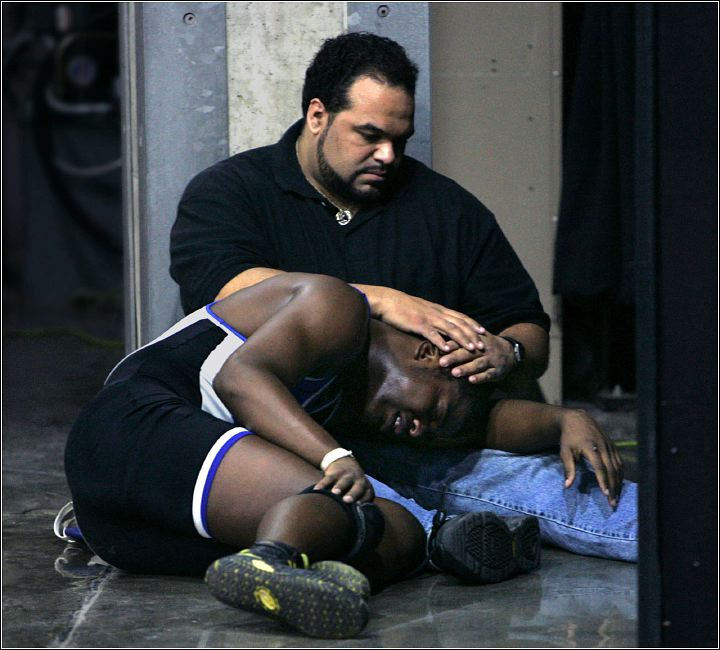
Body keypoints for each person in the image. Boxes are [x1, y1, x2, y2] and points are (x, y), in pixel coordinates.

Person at [170, 32, 637, 561]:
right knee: (335, 507)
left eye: (400, 138)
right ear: (317, 115)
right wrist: (379, 299)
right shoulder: (230, 192)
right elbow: (226, 291)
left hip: (422, 445)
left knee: (565, 490)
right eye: (368, 135)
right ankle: (428, 537)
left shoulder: (446, 209)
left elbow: (527, 326)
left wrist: (508, 353)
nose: (387, 155)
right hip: (278, 439)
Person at [64, 273, 622, 638]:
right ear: (431, 353)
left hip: (121, 529)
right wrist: (332, 456)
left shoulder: (373, 400)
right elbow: (242, 379)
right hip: (132, 425)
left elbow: (483, 423)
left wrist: (561, 418)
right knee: (344, 497)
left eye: (427, 433)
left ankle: (299, 569)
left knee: (400, 531)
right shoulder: (339, 309)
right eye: (431, 408)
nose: (417, 430)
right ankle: (271, 559)